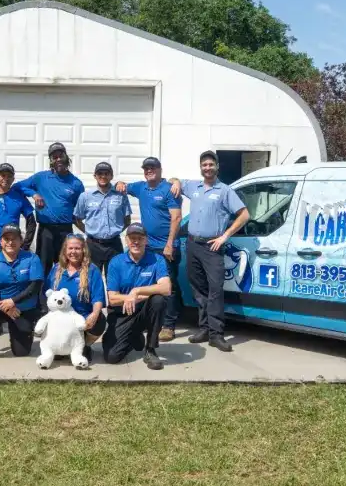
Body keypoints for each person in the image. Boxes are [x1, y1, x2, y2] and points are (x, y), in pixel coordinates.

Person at [168, 150, 249, 352]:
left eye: (211, 164)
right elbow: (172, 179)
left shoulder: (225, 190)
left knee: (215, 292)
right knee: (199, 290)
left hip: (212, 248)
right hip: (193, 245)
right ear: (201, 167)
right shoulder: (193, 186)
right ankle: (203, 329)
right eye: (204, 165)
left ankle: (216, 334)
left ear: (217, 166)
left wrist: (225, 235)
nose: (207, 168)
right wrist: (176, 181)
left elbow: (244, 214)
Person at [114, 156, 183, 342]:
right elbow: (122, 186)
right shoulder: (141, 187)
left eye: (152, 167)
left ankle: (168, 325)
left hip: (166, 247)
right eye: (146, 168)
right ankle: (150, 321)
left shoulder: (170, 189)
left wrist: (169, 244)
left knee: (169, 287)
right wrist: (119, 183)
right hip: (148, 246)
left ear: (160, 169)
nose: (149, 171)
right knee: (149, 285)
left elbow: (176, 218)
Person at [12, 142, 85, 278]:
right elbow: (17, 187)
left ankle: (64, 296)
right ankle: (41, 298)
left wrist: (86, 231)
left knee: (66, 264)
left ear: (66, 157)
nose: (58, 159)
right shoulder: (41, 178)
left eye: (60, 156)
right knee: (43, 265)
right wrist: (34, 194)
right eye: (54, 157)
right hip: (46, 230)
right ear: (51, 161)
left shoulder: (76, 183)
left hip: (65, 229)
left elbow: (79, 211)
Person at [103, 224, 170, 370]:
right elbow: (112, 298)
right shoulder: (116, 262)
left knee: (159, 300)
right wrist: (128, 298)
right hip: (122, 314)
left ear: (146, 241)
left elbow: (166, 288)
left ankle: (150, 349)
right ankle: (134, 337)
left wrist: (136, 292)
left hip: (144, 311)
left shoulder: (157, 260)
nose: (136, 242)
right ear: (126, 240)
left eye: (140, 238)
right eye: (132, 238)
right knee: (112, 357)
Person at [0, 224, 45, 363]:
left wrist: (13, 301)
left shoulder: (32, 259)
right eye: (6, 239)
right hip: (0, 305)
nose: (10, 242)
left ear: (21, 241)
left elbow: (35, 285)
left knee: (21, 352)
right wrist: (4, 305)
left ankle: (22, 333)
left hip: (22, 308)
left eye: (14, 239)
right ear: (1, 242)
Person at [45, 233, 107, 363]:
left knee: (100, 319)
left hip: (82, 320)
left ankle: (84, 345)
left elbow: (98, 298)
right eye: (70, 248)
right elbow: (47, 295)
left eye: (77, 248)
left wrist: (95, 314)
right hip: (61, 320)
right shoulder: (56, 269)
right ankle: (61, 346)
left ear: (83, 250)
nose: (74, 252)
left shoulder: (92, 270)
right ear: (65, 250)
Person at [73, 161, 131, 274]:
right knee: (91, 280)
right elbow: (77, 219)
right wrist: (90, 231)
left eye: (106, 173)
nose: (103, 176)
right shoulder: (85, 196)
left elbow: (127, 220)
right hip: (92, 245)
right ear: (95, 176)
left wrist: (114, 231)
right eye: (100, 173)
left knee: (116, 280)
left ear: (111, 176)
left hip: (114, 245)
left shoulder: (121, 195)